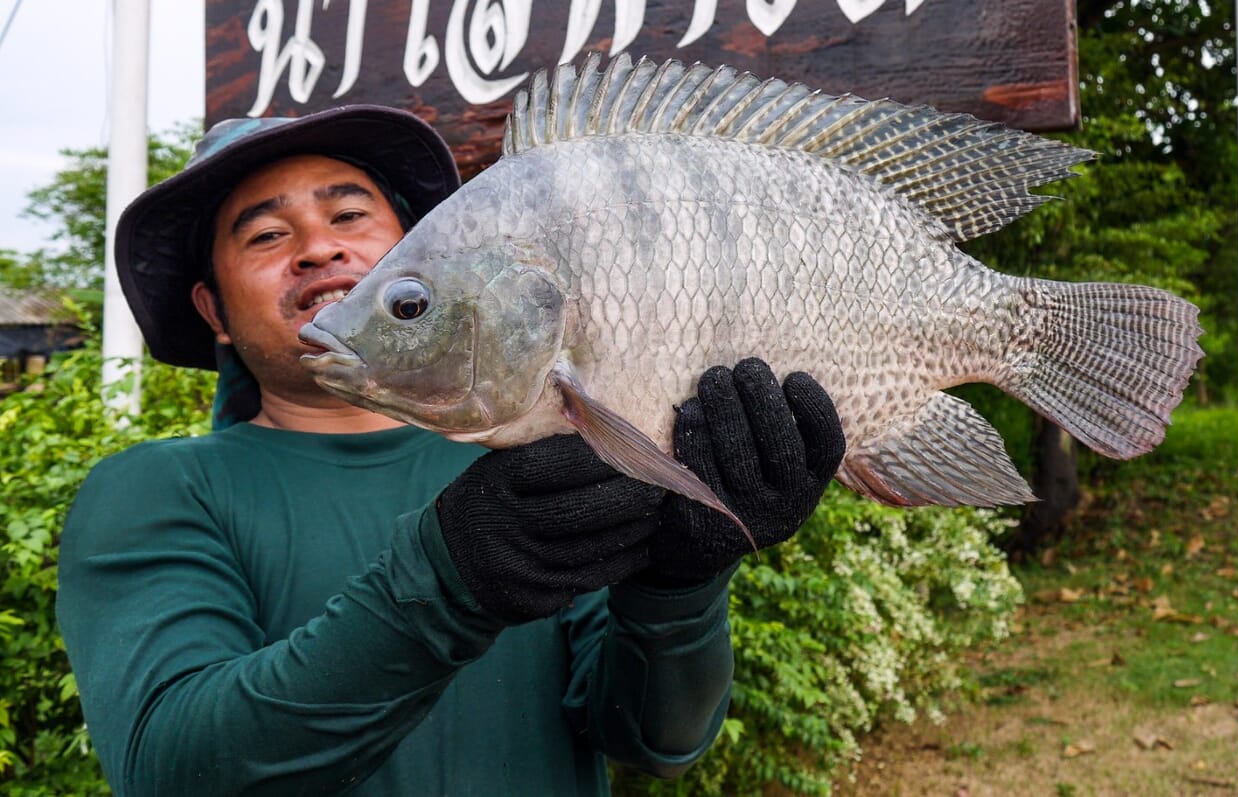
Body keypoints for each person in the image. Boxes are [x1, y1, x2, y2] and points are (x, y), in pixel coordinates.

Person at [56, 104, 845, 796]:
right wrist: (447, 580)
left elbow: (657, 740)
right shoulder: (156, 490)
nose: (318, 249)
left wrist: (681, 583)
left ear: (421, 247)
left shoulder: (554, 445)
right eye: (266, 233)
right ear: (212, 310)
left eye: (352, 216)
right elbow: (175, 767)